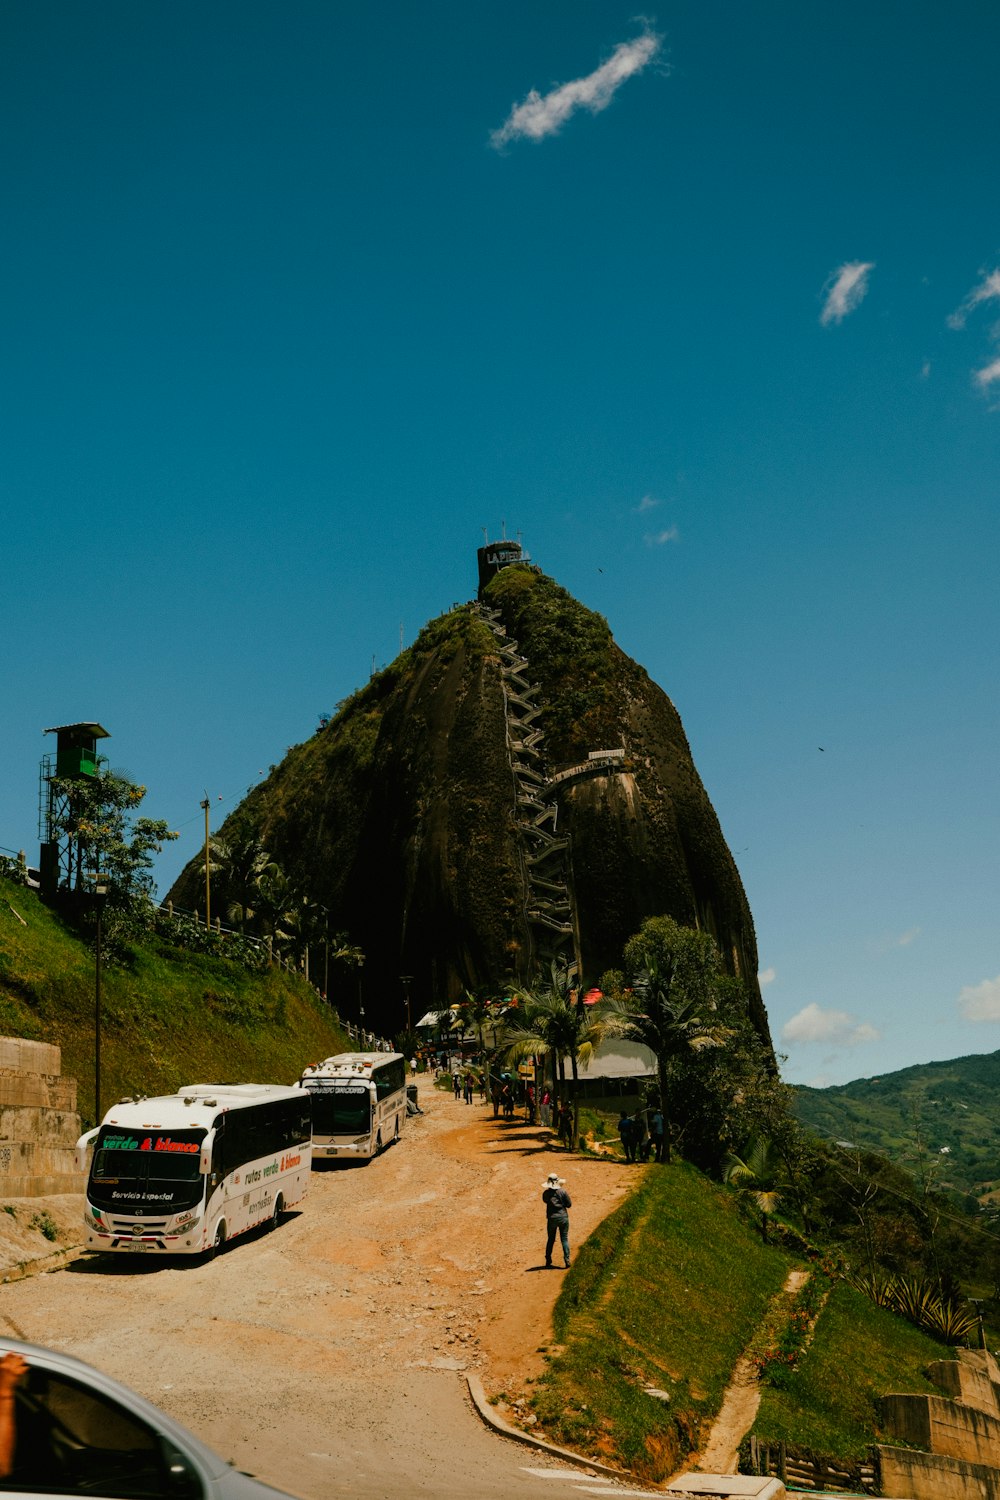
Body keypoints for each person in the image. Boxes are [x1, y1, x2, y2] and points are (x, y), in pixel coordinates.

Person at [541, 1172, 572, 1268]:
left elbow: (545, 1201)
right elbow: (569, 1204)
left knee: (550, 1239)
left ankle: (548, 1259)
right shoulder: (563, 1192)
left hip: (551, 1218)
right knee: (564, 1239)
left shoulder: (546, 1193)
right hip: (563, 1217)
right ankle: (567, 1260)